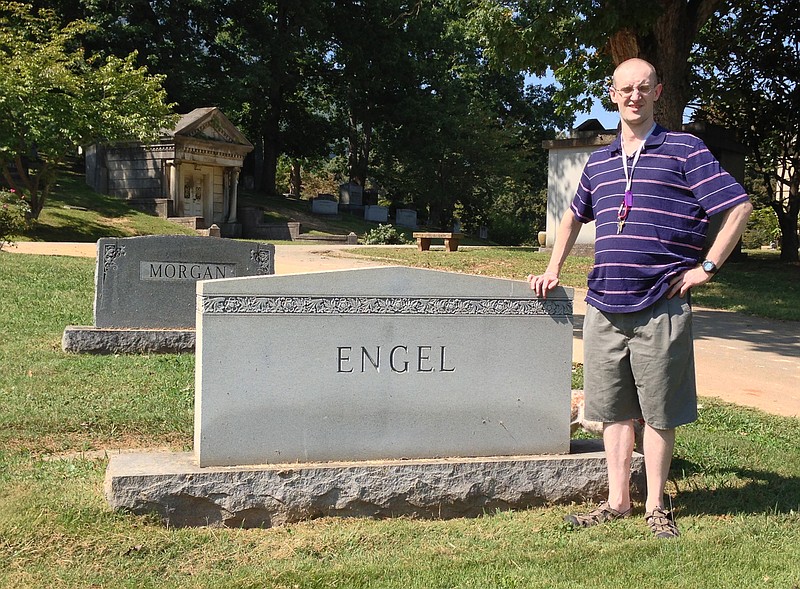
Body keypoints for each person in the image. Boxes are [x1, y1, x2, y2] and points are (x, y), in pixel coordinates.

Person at [529, 58, 752, 538]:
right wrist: (553, 269)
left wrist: (707, 267)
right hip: (605, 305)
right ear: (613, 95)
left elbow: (738, 207)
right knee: (610, 409)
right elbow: (572, 218)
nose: (634, 95)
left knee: (657, 411)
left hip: (661, 303)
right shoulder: (601, 161)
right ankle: (617, 501)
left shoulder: (685, 150)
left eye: (643, 88)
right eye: (625, 88)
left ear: (658, 92)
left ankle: (654, 506)